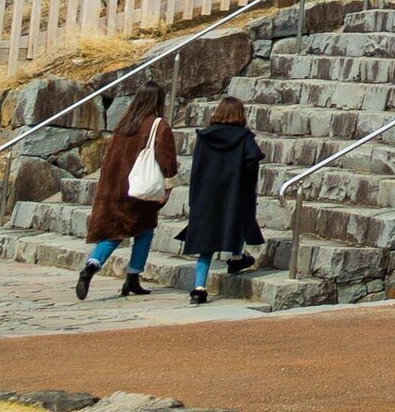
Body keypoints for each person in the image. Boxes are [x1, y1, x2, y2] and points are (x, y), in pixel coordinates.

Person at [77, 85, 176, 299]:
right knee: (145, 229)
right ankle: (133, 276)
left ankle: (93, 264)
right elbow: (166, 157)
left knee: (115, 231)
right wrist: (169, 181)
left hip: (114, 186)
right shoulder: (158, 125)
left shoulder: (124, 124)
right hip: (140, 188)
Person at [181, 95, 267, 304]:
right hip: (233, 192)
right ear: (240, 114)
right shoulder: (244, 137)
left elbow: (197, 168)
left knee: (206, 243)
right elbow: (253, 157)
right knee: (236, 221)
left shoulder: (204, 136)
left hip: (206, 194)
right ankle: (236, 257)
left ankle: (199, 287)